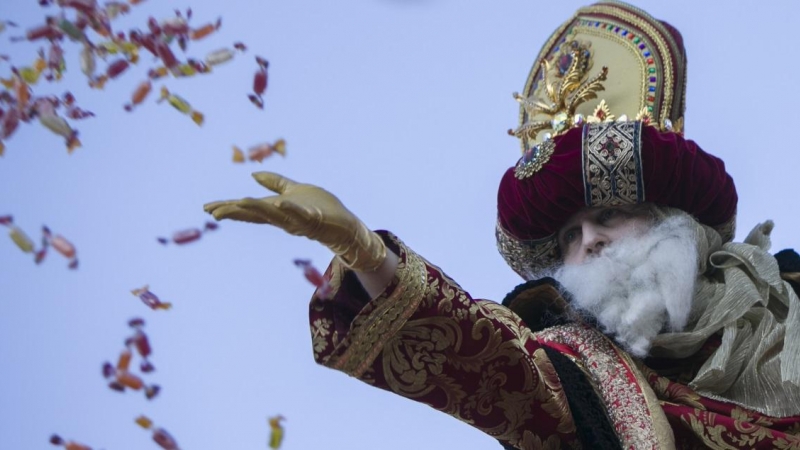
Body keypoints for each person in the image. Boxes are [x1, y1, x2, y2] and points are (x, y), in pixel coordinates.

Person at [204, 1, 800, 448]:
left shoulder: (792, 293)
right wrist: (364, 252)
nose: (587, 241)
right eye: (568, 237)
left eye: (608, 216)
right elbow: (491, 366)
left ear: (672, 222)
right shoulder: (578, 367)